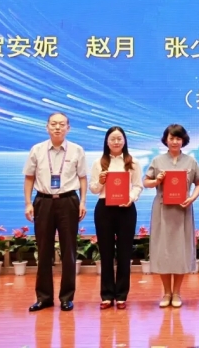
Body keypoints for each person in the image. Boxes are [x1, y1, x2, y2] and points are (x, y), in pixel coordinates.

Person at [23, 112, 87, 312]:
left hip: (68, 201)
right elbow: (29, 177)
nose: (57, 127)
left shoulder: (77, 150)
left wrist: (83, 202)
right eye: (53, 124)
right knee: (44, 250)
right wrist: (28, 203)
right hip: (43, 201)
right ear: (47, 127)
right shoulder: (37, 150)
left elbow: (82, 178)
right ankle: (44, 297)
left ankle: (67, 297)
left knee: (69, 250)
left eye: (61, 124)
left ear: (68, 128)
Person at [143, 124, 199, 308]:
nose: (175, 141)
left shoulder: (190, 161)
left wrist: (192, 198)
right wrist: (157, 180)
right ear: (166, 140)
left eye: (178, 138)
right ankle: (166, 293)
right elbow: (146, 182)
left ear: (183, 140)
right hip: (162, 210)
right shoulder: (157, 160)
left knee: (180, 251)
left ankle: (176, 292)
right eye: (171, 138)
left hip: (183, 209)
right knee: (163, 250)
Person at [89, 126, 143, 310]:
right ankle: (106, 295)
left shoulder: (133, 162)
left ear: (125, 140)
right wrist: (100, 181)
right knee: (105, 253)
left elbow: (138, 186)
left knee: (124, 253)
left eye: (119, 138)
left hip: (126, 209)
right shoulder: (99, 162)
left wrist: (131, 198)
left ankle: (121, 295)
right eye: (112, 139)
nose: (116, 142)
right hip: (104, 209)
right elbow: (93, 189)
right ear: (107, 141)